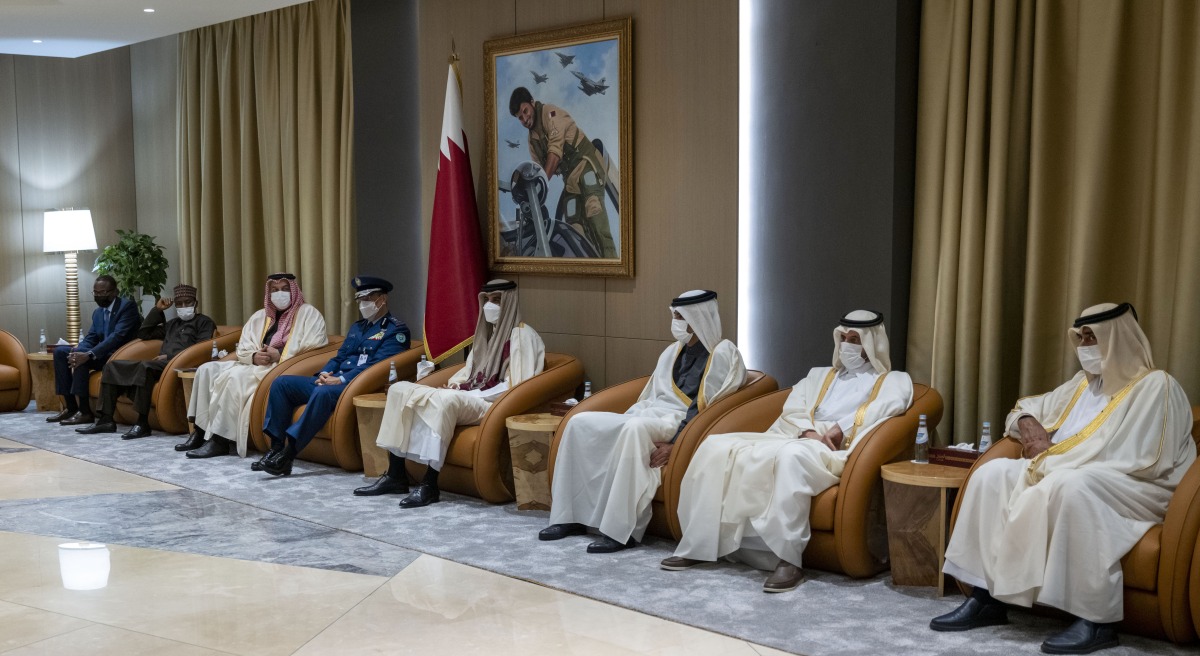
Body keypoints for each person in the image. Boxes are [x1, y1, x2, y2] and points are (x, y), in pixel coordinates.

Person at [931, 303, 1195, 655]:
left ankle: (1095, 619)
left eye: (1093, 337)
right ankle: (986, 596)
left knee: (1071, 486)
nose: (1084, 345)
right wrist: (1029, 424)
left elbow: (1141, 459)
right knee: (990, 475)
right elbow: (1024, 409)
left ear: (1118, 339)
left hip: (1136, 485)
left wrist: (1053, 455)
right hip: (1064, 469)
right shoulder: (1079, 387)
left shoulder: (1156, 386)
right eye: (1081, 337)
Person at [661, 311, 913, 592]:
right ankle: (698, 544)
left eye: (855, 339)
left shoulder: (893, 380)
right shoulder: (818, 375)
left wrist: (840, 428)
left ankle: (788, 559)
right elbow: (793, 407)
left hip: (836, 450)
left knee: (791, 457)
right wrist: (807, 431)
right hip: (799, 435)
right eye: (844, 338)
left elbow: (889, 406)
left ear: (872, 344)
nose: (847, 345)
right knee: (715, 446)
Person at [541, 290, 747, 553]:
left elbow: (708, 406)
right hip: (651, 412)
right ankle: (569, 517)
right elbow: (651, 394)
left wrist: (679, 444)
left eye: (680, 316)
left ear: (698, 317)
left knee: (634, 429)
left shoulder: (723, 353)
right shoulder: (672, 351)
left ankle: (620, 531)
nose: (676, 322)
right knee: (579, 422)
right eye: (674, 315)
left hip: (679, 420)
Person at [356, 279, 544, 507]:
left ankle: (430, 484)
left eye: (497, 301)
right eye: (487, 300)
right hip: (469, 396)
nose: (490, 306)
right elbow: (469, 371)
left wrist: (469, 394)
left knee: (446, 401)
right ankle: (396, 475)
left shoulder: (522, 336)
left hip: (491, 403)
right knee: (399, 389)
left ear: (510, 303)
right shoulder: (487, 334)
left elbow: (516, 386)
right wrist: (455, 384)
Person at [258, 276, 411, 477]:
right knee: (282, 383)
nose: (363, 304)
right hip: (334, 380)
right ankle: (276, 448)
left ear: (382, 299)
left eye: (368, 298)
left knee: (323, 393)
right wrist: (325, 372)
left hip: (357, 385)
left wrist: (341, 380)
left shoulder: (396, 330)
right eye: (360, 299)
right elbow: (340, 356)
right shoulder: (358, 327)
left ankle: (288, 455)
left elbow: (378, 366)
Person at [176, 273, 328, 459]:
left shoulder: (309, 314)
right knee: (206, 369)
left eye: (284, 289)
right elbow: (244, 346)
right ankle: (199, 431)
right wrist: (254, 356)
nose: (279, 294)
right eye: (274, 290)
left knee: (235, 378)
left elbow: (314, 348)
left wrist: (279, 355)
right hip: (254, 364)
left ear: (294, 291)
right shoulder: (260, 316)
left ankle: (220, 440)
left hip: (280, 367)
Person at [76, 284, 216, 439]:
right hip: (160, 363)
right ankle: (105, 420)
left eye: (188, 303)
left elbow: (201, 348)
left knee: (145, 366)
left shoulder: (204, 322)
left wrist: (169, 357)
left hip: (178, 364)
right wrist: (157, 310)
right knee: (111, 366)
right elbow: (144, 333)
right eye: (180, 303)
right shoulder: (173, 324)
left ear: (195, 303)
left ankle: (142, 423)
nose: (184, 306)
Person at [509, 86, 617, 258]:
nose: (525, 119)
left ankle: (611, 261)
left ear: (532, 103)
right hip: (571, 180)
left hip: (586, 164)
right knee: (575, 227)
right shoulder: (532, 141)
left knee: (594, 209)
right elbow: (538, 171)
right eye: (520, 118)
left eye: (525, 111)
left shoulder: (550, 114)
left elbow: (554, 154)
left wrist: (540, 184)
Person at [46, 275, 141, 426]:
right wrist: (77, 352)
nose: (98, 296)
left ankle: (85, 412)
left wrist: (88, 354)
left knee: (84, 359)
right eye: (95, 293)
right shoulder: (98, 312)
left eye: (102, 293)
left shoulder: (127, 307)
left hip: (118, 355)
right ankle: (71, 407)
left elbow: (117, 337)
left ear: (115, 291)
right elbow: (91, 338)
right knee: (61, 352)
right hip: (102, 354)